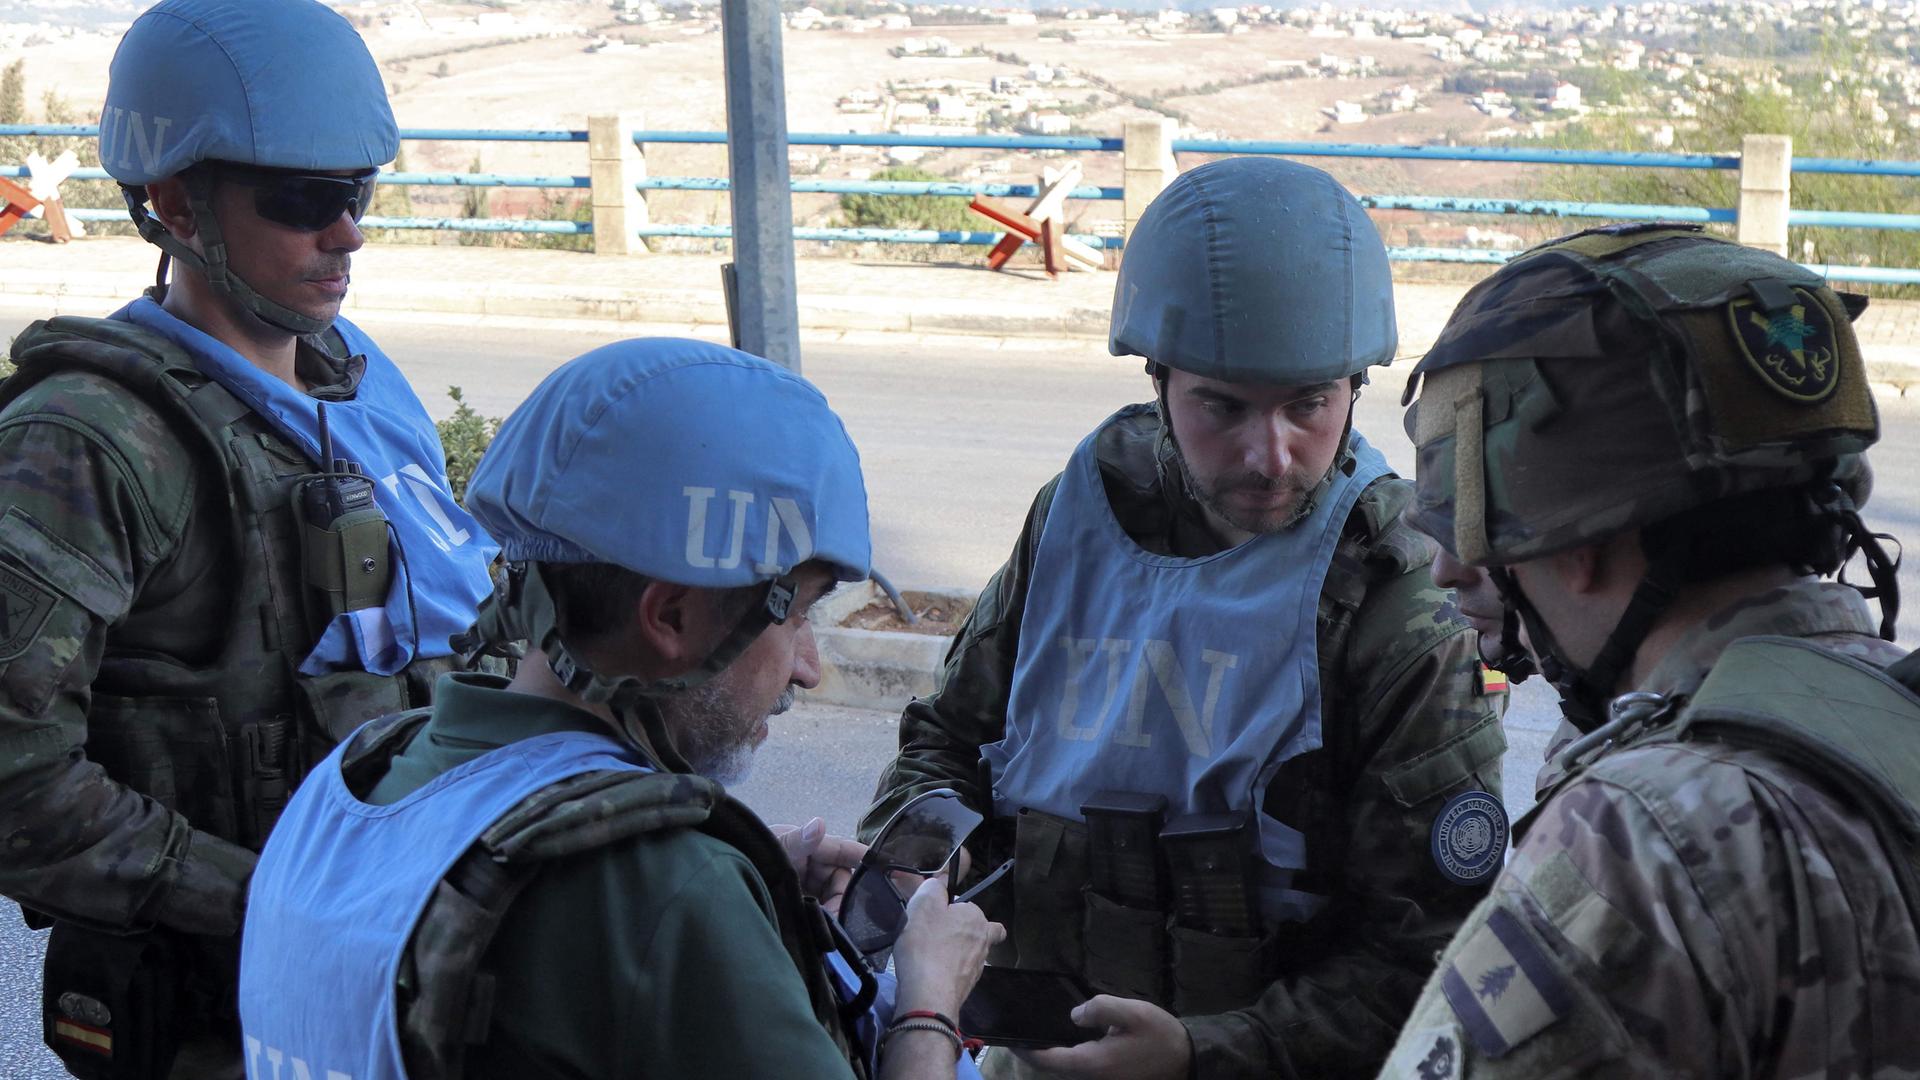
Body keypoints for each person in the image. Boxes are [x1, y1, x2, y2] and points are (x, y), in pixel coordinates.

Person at [860, 156, 1511, 1080]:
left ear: (1355, 389)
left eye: (1309, 405)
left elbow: (1431, 957)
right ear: (1159, 381)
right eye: (1222, 406)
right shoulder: (1080, 514)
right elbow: (947, 740)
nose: (1270, 456)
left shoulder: (1395, 594)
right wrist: (923, 860)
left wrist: (1199, 1053)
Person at [237, 338, 1005, 1080]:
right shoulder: (665, 889)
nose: (808, 668)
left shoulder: (360, 782)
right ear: (670, 618)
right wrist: (929, 1001)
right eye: (798, 615)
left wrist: (729, 884)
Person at [0, 2, 498, 1076]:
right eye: (303, 199)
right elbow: (12, 777)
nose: (348, 232)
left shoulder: (357, 391)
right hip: (219, 1019)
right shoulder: (86, 443)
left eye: (358, 192)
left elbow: (464, 652)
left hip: (395, 987)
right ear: (178, 203)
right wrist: (280, 902)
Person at [1378, 223, 1920, 1078]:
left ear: (1581, 546)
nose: (1448, 569)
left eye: (1484, 533)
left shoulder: (1640, 841)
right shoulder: (1893, 715)